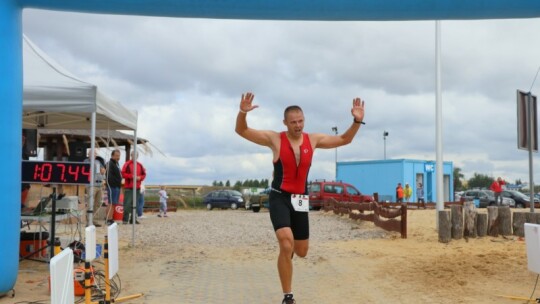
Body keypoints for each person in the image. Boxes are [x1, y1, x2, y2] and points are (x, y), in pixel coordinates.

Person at [235, 92, 365, 304]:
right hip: (279, 197)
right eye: (293, 122)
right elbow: (241, 130)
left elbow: (344, 139)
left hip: (300, 199)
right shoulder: (275, 139)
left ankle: (286, 258)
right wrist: (242, 113)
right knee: (286, 244)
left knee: (301, 251)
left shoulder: (312, 140)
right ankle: (288, 296)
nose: (298, 125)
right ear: (285, 123)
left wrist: (357, 121)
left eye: (301, 121)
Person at [121, 151, 146, 224]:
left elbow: (144, 174)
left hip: (137, 187)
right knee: (127, 204)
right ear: (131, 155)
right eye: (133, 155)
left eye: (136, 155)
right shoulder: (127, 164)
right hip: (129, 187)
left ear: (137, 156)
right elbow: (123, 173)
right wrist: (131, 176)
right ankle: (125, 220)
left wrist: (140, 178)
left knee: (135, 204)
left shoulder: (140, 165)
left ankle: (133, 219)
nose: (135, 156)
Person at [85, 149, 106, 227]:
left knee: (97, 203)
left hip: (99, 185)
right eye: (93, 153)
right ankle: (88, 221)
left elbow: (102, 172)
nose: (94, 155)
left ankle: (95, 220)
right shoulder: (86, 162)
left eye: (95, 153)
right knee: (90, 203)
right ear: (89, 154)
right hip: (91, 185)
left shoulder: (99, 162)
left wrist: (103, 173)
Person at [105, 149, 122, 225]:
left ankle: (110, 218)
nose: (118, 157)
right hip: (112, 186)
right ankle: (108, 219)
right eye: (116, 156)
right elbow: (109, 176)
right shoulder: (109, 163)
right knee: (111, 203)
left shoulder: (116, 164)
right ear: (112, 156)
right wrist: (114, 183)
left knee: (114, 203)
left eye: (119, 156)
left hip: (117, 186)